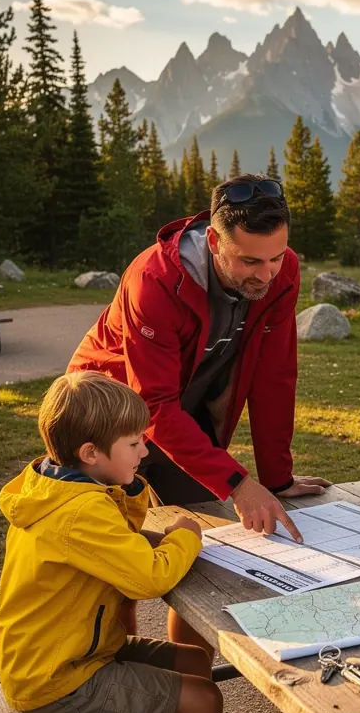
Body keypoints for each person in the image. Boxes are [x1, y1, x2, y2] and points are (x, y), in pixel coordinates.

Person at [0, 372, 296, 713]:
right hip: (58, 677)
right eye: (134, 443)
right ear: (91, 453)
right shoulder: (80, 512)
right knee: (203, 701)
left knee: (193, 660)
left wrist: (131, 490)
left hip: (72, 650)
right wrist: (187, 534)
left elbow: (123, 541)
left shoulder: (62, 489)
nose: (145, 451)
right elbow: (149, 577)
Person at [68, 175, 330, 664]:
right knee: (113, 563)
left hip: (181, 413)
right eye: (249, 261)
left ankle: (192, 686)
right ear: (213, 240)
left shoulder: (283, 272)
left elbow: (275, 377)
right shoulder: (154, 279)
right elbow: (152, 405)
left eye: (276, 257)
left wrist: (275, 478)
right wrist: (237, 484)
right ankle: (114, 674)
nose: (266, 274)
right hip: (103, 418)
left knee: (202, 553)